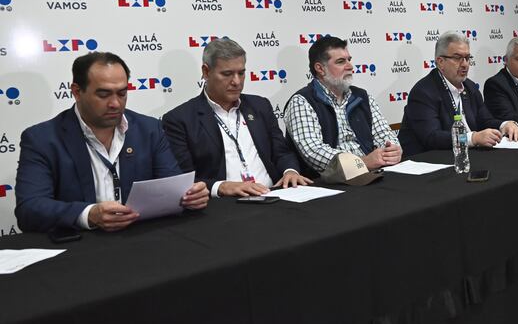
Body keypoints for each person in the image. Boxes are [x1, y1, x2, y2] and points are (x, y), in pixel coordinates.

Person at [15, 52, 209, 233]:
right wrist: (89, 214)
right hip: (79, 248)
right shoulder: (42, 139)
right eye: (103, 94)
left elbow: (171, 187)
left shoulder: (149, 130)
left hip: (141, 239)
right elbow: (29, 209)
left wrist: (189, 196)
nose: (115, 103)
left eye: (122, 93)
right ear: (77, 91)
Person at [163, 39, 311, 198]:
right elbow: (182, 179)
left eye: (241, 73)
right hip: (226, 205)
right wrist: (220, 186)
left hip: (274, 195)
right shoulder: (179, 119)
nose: (237, 82)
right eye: (227, 74)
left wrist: (290, 171)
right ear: (206, 72)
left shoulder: (260, 106)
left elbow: (281, 151)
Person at [284, 36, 401, 176]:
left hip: (372, 173)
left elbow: (385, 134)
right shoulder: (302, 101)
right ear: (320, 68)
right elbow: (314, 152)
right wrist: (362, 163)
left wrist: (392, 151)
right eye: (341, 62)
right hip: (329, 183)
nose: (350, 66)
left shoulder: (362, 96)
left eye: (349, 60)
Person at [398, 31, 518, 156]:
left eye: (467, 58)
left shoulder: (470, 87)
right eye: (457, 58)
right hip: (429, 161)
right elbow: (432, 137)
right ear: (440, 62)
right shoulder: (423, 92)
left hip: (465, 156)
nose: (465, 64)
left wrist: (504, 125)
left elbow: (485, 120)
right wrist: (472, 138)